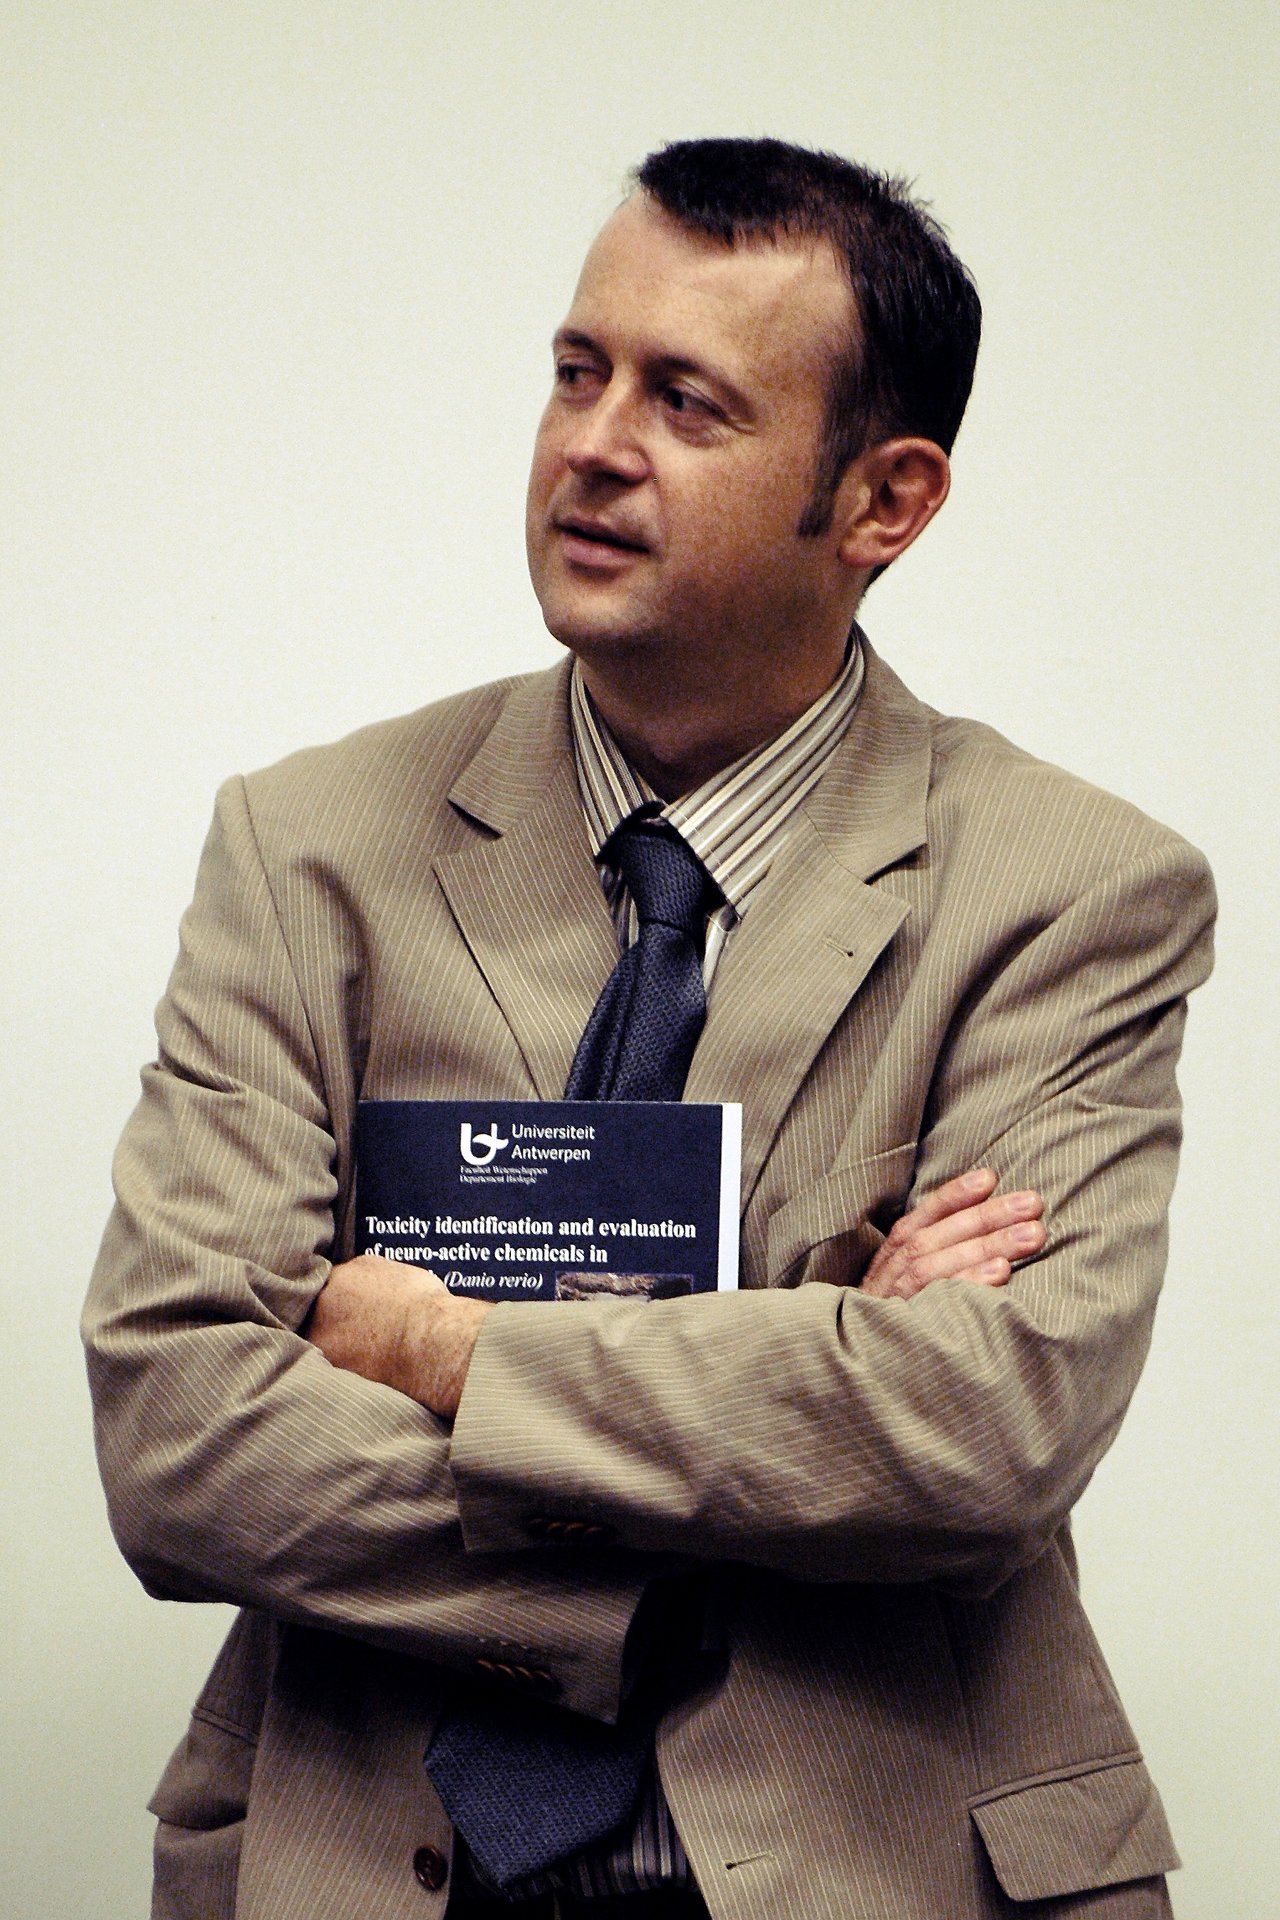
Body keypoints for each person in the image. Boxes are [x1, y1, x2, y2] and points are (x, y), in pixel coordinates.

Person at [83, 138, 1214, 1920]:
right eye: (576, 370)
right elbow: (179, 1437)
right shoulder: (308, 846)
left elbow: (988, 1429)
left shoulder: (1075, 890)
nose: (592, 444)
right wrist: (794, 1406)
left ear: (885, 501)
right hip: (365, 1863)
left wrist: (456, 1359)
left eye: (690, 402)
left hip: (884, 1867)